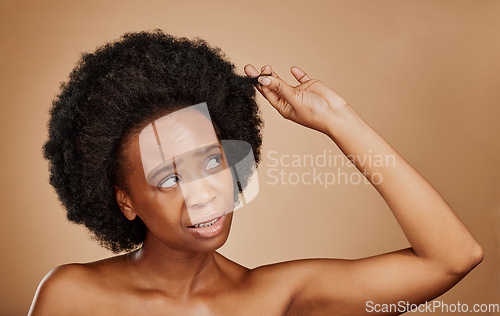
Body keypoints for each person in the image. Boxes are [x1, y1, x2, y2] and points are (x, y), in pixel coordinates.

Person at [29, 30, 483, 315]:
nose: (204, 194)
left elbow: (452, 257)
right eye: (169, 178)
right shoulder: (70, 297)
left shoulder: (274, 300)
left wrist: (340, 122)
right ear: (124, 200)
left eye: (211, 162)